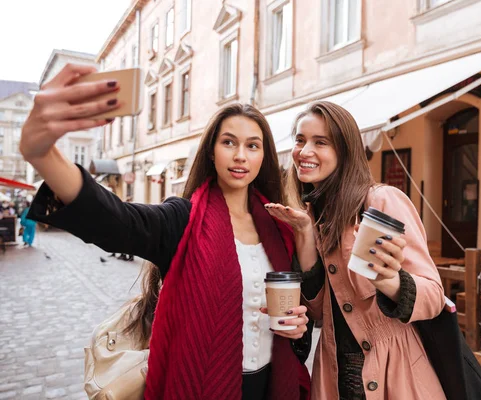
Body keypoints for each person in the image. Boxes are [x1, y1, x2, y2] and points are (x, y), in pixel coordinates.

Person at [19, 64, 312, 400]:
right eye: (229, 142)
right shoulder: (184, 220)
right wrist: (42, 155)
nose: (240, 156)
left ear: (264, 155)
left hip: (271, 386)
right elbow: (118, 222)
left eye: (253, 145)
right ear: (212, 151)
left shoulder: (277, 226)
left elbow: (297, 324)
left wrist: (298, 328)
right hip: (201, 387)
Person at [268, 101, 447, 399]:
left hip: (395, 372)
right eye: (300, 140)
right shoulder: (313, 217)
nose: (304, 151)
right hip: (334, 376)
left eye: (320, 142)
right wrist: (303, 234)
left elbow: (433, 297)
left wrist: (391, 283)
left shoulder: (381, 201)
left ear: (345, 150)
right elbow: (320, 313)